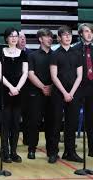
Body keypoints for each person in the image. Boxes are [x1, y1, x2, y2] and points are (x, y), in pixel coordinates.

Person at [49, 25, 83, 163]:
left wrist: (71, 93)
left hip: (73, 93)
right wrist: (64, 92)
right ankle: (53, 152)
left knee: (71, 123)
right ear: (59, 38)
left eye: (69, 34)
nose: (68, 37)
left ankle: (70, 152)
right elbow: (54, 76)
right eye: (64, 34)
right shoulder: (54, 54)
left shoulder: (77, 53)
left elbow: (79, 76)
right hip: (58, 93)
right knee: (55, 123)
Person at [0, 27, 28, 163]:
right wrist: (10, 87)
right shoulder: (0, 52)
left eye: (16, 36)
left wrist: (17, 88)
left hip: (18, 92)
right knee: (5, 123)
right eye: (11, 36)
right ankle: (5, 151)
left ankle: (14, 151)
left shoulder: (23, 54)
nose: (14, 38)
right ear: (6, 38)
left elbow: (25, 73)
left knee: (16, 123)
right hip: (5, 91)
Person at [26, 28, 54, 159]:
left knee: (51, 123)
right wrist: (43, 87)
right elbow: (30, 74)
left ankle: (51, 151)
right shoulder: (32, 55)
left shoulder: (55, 55)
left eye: (51, 36)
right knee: (34, 123)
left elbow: (58, 75)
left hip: (53, 94)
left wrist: (51, 87)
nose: (50, 38)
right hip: (36, 93)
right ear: (40, 39)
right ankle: (31, 149)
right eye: (47, 36)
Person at [73, 23, 93, 157]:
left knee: (91, 119)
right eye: (86, 31)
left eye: (91, 31)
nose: (89, 34)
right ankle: (70, 149)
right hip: (78, 87)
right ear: (80, 34)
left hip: (91, 88)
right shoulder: (75, 49)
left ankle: (92, 148)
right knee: (72, 118)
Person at [18, 31, 32, 146]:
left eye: (24, 38)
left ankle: (28, 139)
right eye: (20, 37)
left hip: (28, 90)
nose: (23, 40)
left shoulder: (30, 54)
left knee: (28, 116)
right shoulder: (10, 53)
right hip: (14, 89)